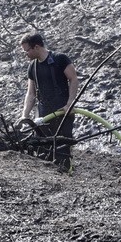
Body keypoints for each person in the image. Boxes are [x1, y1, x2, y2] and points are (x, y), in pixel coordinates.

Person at [19, 33, 79, 169]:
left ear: (37, 47)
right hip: (43, 113)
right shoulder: (32, 67)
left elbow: (74, 79)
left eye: (27, 50)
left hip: (63, 111)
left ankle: (66, 174)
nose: (25, 54)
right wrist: (25, 116)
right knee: (43, 148)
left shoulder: (60, 59)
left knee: (62, 148)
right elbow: (31, 93)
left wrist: (70, 104)